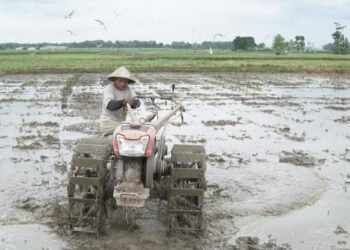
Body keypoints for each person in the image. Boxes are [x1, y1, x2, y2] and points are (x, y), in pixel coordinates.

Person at [99, 66, 140, 135]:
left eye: (125, 81)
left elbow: (137, 102)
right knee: (126, 136)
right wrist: (123, 102)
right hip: (108, 124)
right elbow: (110, 105)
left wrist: (132, 103)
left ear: (128, 82)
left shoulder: (128, 89)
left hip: (120, 123)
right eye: (120, 81)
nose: (122, 84)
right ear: (115, 80)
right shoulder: (109, 89)